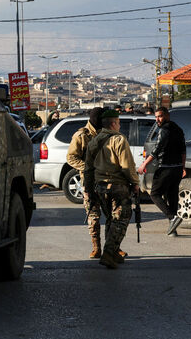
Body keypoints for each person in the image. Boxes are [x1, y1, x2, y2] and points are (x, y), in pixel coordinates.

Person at [84, 109, 139, 269]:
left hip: (100, 187)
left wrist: (88, 188)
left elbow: (88, 169)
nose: (120, 125)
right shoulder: (119, 140)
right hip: (117, 186)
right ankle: (108, 253)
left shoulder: (94, 141)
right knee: (121, 219)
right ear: (114, 123)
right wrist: (135, 182)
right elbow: (127, 166)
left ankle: (113, 252)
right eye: (119, 122)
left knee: (110, 219)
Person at [137, 106, 186, 236]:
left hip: (166, 168)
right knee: (172, 197)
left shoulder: (164, 130)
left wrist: (144, 164)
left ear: (167, 116)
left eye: (160, 116)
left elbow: (157, 149)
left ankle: (173, 218)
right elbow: (183, 151)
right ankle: (173, 230)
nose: (157, 119)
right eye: (156, 117)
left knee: (154, 194)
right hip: (176, 169)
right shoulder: (178, 129)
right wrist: (182, 167)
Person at [66, 107, 105, 258]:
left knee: (112, 215)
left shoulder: (106, 133)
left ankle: (112, 248)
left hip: (108, 179)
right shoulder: (82, 135)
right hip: (89, 181)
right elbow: (71, 158)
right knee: (93, 215)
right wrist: (88, 168)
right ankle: (96, 247)